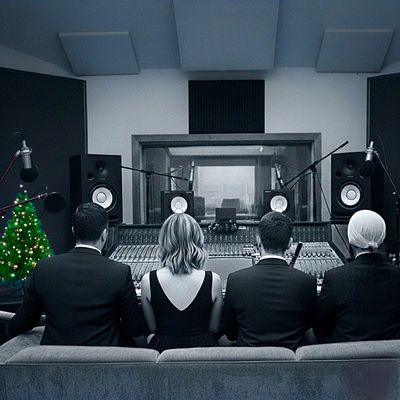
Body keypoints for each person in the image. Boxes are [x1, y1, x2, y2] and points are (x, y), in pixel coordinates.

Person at [6, 203, 145, 346]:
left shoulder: (44, 268)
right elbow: (134, 328)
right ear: (104, 234)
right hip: (103, 357)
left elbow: (24, 322)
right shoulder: (120, 272)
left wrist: (8, 331)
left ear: (73, 231)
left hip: (55, 357)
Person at [223, 211, 317, 350]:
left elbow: (231, 334)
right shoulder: (308, 282)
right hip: (290, 359)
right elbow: (308, 326)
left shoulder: (235, 280)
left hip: (249, 359)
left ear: (258, 241)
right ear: (290, 243)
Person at [314, 209, 400, 342]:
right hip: (391, 353)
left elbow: (320, 330)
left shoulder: (334, 278)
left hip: (347, 353)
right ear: (382, 238)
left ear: (351, 240)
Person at [141, 213, 223, 352]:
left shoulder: (148, 280)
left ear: (164, 240)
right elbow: (214, 329)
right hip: (203, 352)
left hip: (163, 352)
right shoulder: (213, 280)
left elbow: (152, 328)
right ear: (197, 239)